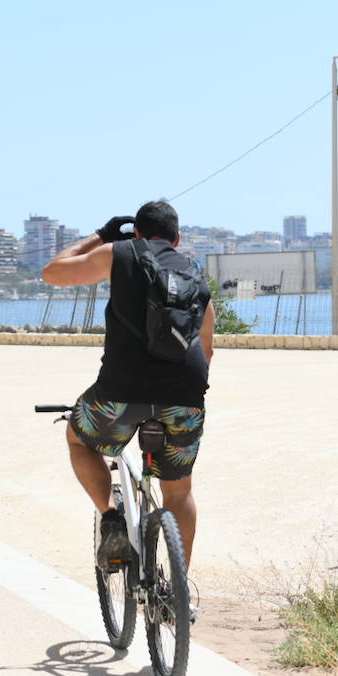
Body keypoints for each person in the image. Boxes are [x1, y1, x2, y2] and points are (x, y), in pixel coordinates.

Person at [41, 200, 214, 579]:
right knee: (179, 491)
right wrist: (183, 394)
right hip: (185, 397)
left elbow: (52, 273)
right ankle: (177, 588)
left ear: (135, 233)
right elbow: (207, 345)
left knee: (78, 439)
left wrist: (101, 236)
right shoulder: (194, 274)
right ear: (177, 238)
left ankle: (112, 519)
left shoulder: (117, 253)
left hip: (120, 392)